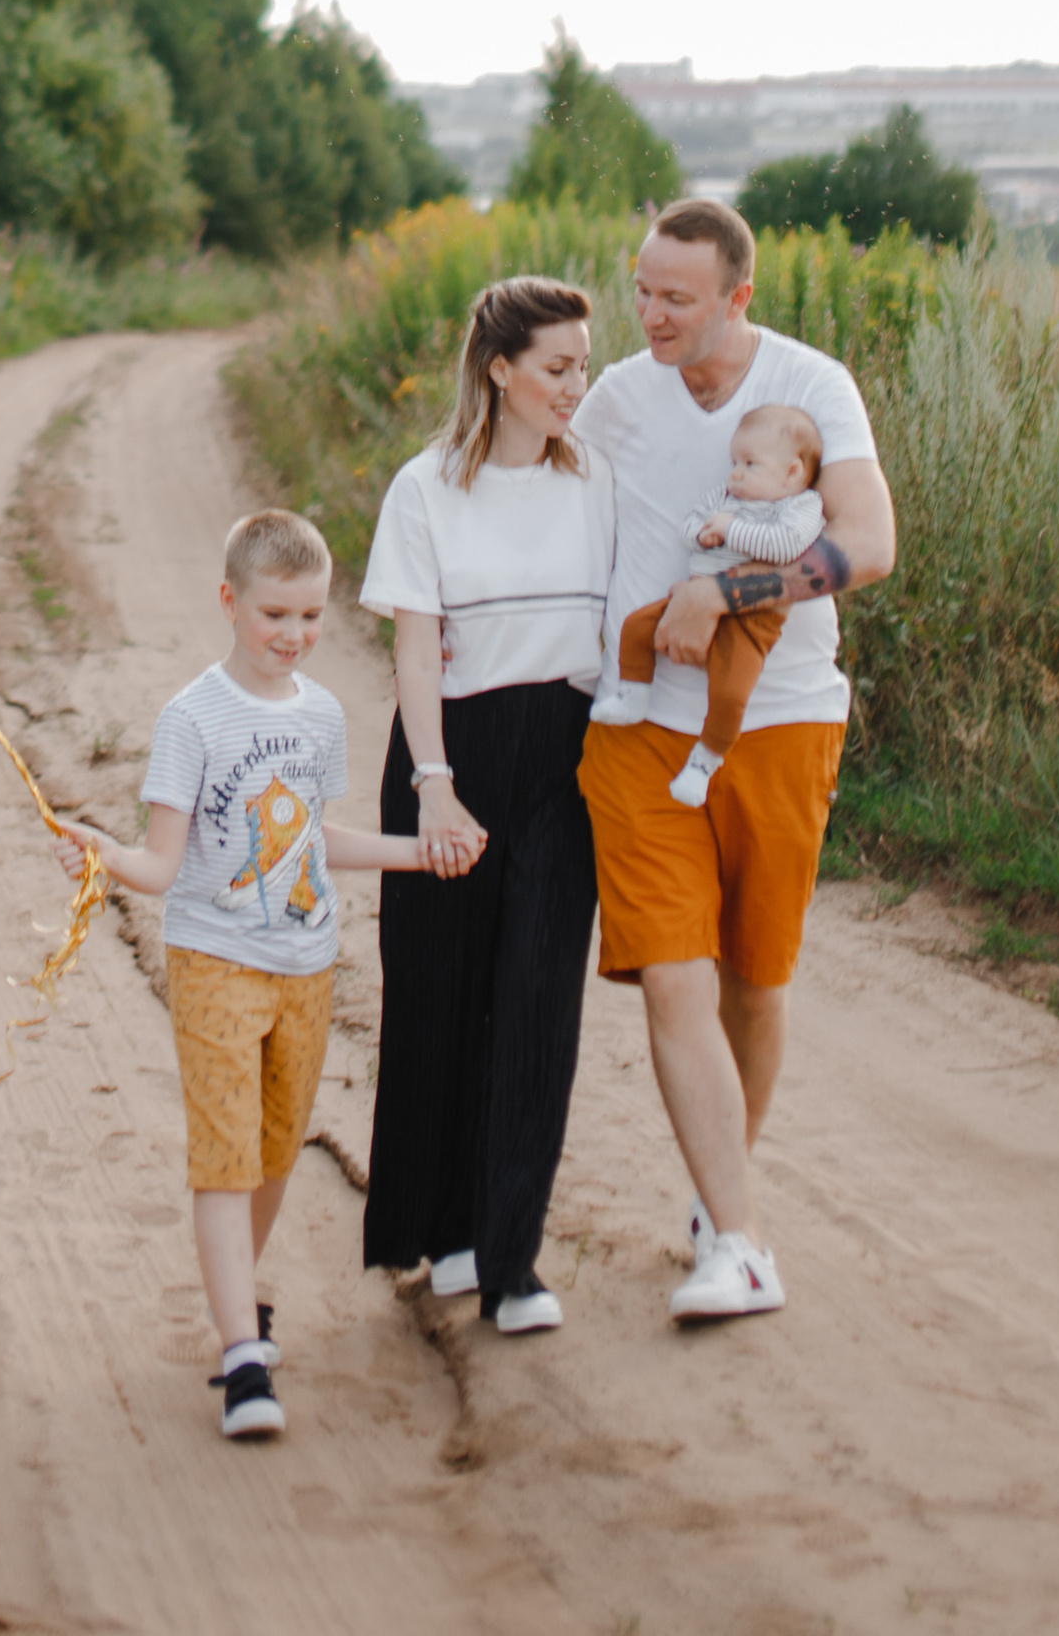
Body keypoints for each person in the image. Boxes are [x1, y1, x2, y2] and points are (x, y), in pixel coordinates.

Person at [574, 198, 897, 1327]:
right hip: (635, 731)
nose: (652, 314)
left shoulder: (812, 388)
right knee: (674, 972)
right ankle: (743, 1245)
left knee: (755, 984)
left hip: (782, 720)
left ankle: (721, 1207)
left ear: (735, 299)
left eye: (678, 298)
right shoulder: (616, 397)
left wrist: (732, 589)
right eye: (643, 289)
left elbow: (869, 542)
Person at [50, 506, 433, 1439]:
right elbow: (161, 865)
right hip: (215, 962)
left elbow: (312, 837)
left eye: (310, 617)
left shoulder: (321, 715)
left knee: (272, 1153)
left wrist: (419, 854)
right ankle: (241, 1357)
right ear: (230, 603)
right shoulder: (194, 719)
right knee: (224, 1157)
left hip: (307, 965)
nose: (295, 637)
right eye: (275, 617)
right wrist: (100, 851)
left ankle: (239, 1301)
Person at [357, 274, 615, 1336]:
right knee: (439, 997)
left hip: (562, 757)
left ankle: (513, 1262)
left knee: (537, 1004)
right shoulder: (426, 489)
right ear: (499, 370)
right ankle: (447, 1227)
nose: (575, 387)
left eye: (582, 367)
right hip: (450, 753)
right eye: (556, 369)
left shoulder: (595, 475)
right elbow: (416, 653)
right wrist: (433, 790)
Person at [588, 401, 826, 805]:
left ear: (793, 473)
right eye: (734, 460)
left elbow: (786, 547)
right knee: (636, 627)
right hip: (691, 594)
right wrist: (700, 534)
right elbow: (691, 522)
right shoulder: (725, 496)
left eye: (750, 464)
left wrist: (732, 530)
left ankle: (706, 758)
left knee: (731, 693)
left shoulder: (800, 508)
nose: (736, 472)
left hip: (749, 618)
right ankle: (633, 693)